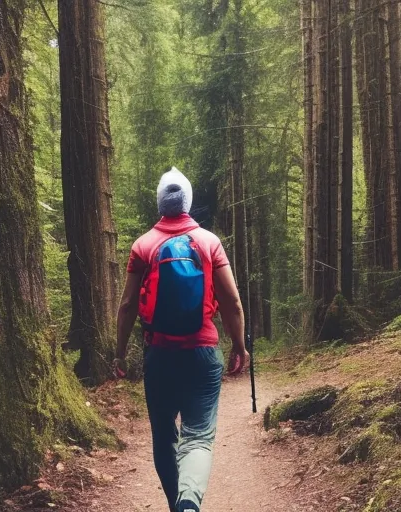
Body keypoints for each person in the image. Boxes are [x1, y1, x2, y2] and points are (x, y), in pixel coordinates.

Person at [114, 167, 250, 512]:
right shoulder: (209, 242)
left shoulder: (143, 245)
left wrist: (118, 353)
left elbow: (128, 304)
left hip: (159, 354)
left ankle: (177, 507)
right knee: (199, 436)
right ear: (187, 202)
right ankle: (189, 502)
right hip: (202, 352)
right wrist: (238, 345)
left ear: (160, 204)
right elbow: (232, 302)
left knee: (164, 436)